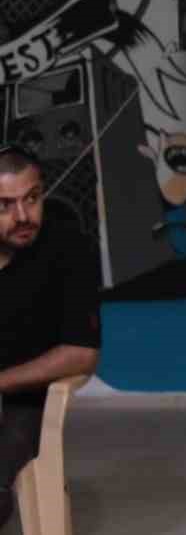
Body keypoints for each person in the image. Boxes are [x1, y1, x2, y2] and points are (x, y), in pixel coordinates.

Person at [0, 145, 101, 529]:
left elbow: (81, 354)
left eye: (32, 198)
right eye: (5, 205)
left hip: (25, 399)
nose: (23, 216)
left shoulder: (68, 248)